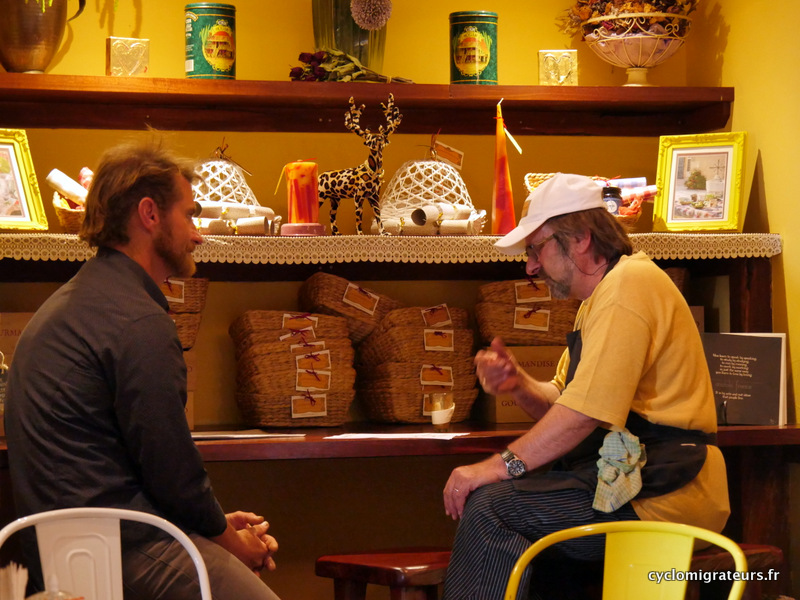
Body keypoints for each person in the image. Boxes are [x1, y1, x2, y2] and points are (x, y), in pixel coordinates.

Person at [4, 140, 281, 599]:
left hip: (62, 548)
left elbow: (150, 472)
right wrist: (232, 543)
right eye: (189, 215)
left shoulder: (79, 300)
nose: (198, 235)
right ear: (150, 214)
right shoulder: (136, 319)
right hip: (115, 551)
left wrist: (213, 527)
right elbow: (173, 471)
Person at [441, 173, 729, 599]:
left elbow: (582, 416)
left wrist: (497, 466)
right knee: (504, 507)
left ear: (579, 239)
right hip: (630, 482)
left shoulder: (629, 286)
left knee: (492, 508)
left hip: (666, 491)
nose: (530, 266)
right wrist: (518, 384)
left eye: (536, 249)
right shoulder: (600, 299)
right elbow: (566, 401)